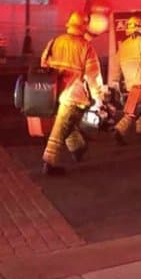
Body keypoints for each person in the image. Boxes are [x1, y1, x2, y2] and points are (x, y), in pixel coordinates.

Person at [40, 11, 104, 175]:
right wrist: (98, 98)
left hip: (53, 93)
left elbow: (44, 64)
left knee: (66, 123)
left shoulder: (54, 42)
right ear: (83, 27)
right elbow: (93, 76)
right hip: (73, 96)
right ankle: (49, 163)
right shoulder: (85, 47)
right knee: (60, 129)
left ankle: (78, 148)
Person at [109, 16, 141, 145]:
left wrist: (116, 81)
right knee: (133, 111)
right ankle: (119, 130)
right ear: (140, 27)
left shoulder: (123, 46)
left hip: (130, 84)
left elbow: (116, 65)